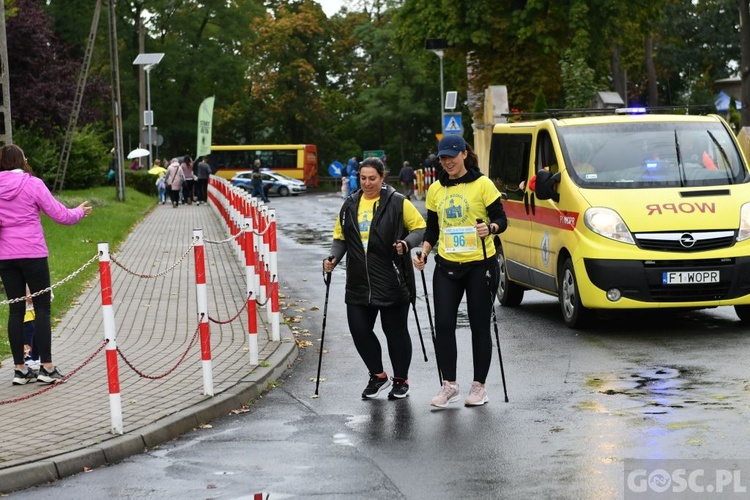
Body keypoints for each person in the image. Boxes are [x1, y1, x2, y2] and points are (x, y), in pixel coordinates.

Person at [412, 135, 507, 408]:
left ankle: (479, 387)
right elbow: (432, 228)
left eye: (451, 156)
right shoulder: (435, 190)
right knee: (443, 325)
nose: (447, 162)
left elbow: (501, 219)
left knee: (479, 326)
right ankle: (449, 385)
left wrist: (490, 228)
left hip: (480, 265)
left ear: (465, 154)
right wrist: (425, 251)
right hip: (447, 266)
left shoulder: (482, 184)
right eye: (442, 157)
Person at [323, 157, 425, 400]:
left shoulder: (398, 202)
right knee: (359, 331)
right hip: (359, 281)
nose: (367, 183)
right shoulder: (349, 204)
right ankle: (378, 375)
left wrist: (405, 244)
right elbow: (341, 238)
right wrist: (333, 258)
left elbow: (419, 229)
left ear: (382, 178)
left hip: (391, 278)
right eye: (363, 178)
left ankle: (400, 380)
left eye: (372, 178)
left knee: (395, 332)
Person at [0, 144, 93, 385]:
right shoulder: (33, 183)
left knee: (16, 309)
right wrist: (80, 212)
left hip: (6, 257)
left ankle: (20, 369)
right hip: (32, 253)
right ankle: (46, 367)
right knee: (42, 308)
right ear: (22, 160)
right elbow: (60, 215)